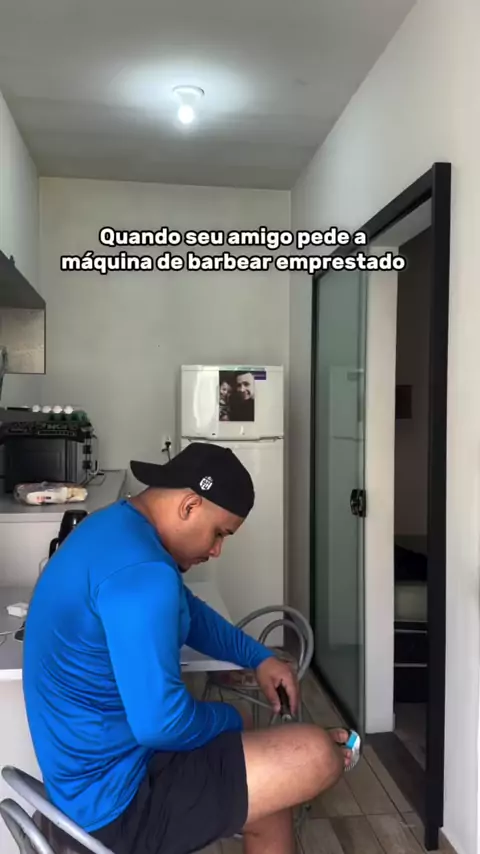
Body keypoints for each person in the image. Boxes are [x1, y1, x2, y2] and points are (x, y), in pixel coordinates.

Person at [23, 442, 359, 854]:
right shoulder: (145, 573)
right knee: (315, 754)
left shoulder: (114, 527)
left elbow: (190, 614)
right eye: (219, 533)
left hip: (86, 782)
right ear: (189, 506)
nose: (217, 550)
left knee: (272, 792)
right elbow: (160, 725)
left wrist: (259, 657)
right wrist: (232, 718)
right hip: (117, 808)